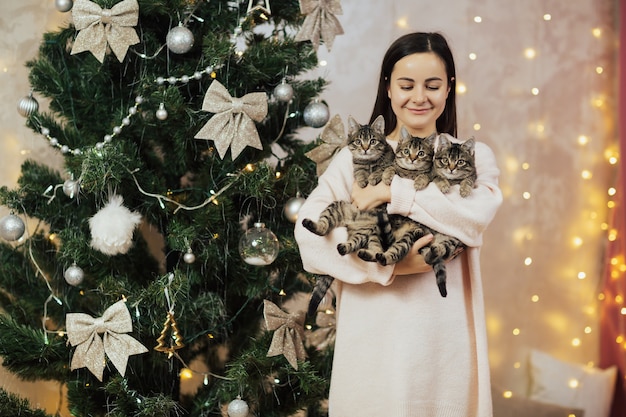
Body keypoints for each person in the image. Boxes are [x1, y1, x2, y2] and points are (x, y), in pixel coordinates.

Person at [294, 32, 503, 417]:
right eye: (406, 85)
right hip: (371, 352)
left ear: (449, 89)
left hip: (444, 354)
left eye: (433, 85)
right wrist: (388, 265)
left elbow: (470, 217)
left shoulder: (471, 158)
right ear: (388, 89)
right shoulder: (353, 159)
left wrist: (390, 192)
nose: (419, 97)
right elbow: (307, 232)